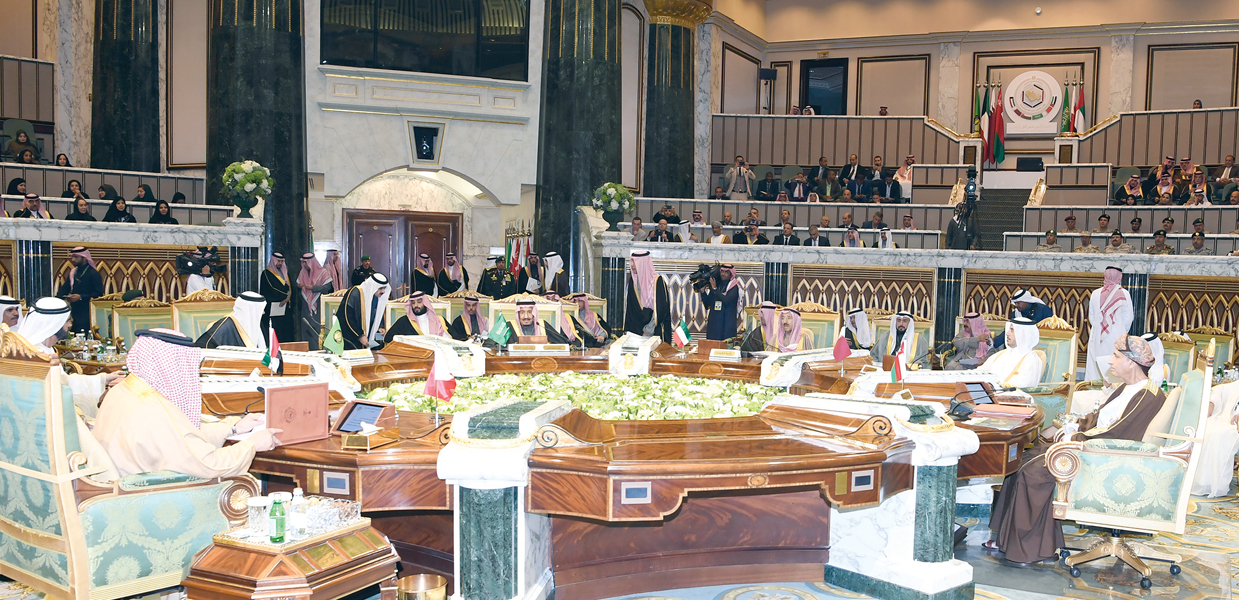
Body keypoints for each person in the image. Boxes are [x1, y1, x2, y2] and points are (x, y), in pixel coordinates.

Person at [987, 335, 1166, 563]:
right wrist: (1072, 426)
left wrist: (1072, 437)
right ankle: (1008, 539)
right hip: (1091, 448)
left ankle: (1029, 549)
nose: (1110, 361)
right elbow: (1099, 419)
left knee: (1033, 474)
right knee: (1021, 460)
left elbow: (1117, 435)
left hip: (1103, 459)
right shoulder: (1128, 387)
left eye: (1116, 356)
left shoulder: (1147, 396)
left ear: (1131, 362)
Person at [93, 329, 281, 479]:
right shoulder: (156, 408)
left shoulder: (122, 391)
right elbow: (209, 465)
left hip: (118, 487)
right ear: (170, 364)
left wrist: (232, 428)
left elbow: (180, 439)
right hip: (148, 498)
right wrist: (252, 445)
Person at [1085, 267, 1133, 381]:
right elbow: (1129, 318)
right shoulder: (1124, 294)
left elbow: (1091, 317)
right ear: (1120, 277)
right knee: (1115, 363)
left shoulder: (1095, 293)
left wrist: (1098, 328)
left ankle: (1093, 387)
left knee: (1095, 365)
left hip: (1097, 336)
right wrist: (1121, 331)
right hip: (1117, 336)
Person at [978, 318, 1045, 388]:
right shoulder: (1001, 354)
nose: (1007, 333)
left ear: (1023, 334)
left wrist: (993, 386)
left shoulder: (1031, 359)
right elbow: (980, 372)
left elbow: (1024, 385)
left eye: (1012, 330)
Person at [624, 250, 671, 343]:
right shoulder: (633, 282)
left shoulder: (657, 282)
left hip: (654, 331)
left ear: (642, 263)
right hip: (636, 333)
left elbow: (661, 310)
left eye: (634, 262)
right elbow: (631, 311)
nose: (631, 265)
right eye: (631, 261)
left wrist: (647, 331)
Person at [55, 247, 103, 334]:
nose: (73, 259)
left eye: (76, 257)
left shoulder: (93, 273)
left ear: (84, 258)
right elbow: (65, 288)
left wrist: (81, 297)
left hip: (88, 312)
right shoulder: (73, 272)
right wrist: (57, 300)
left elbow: (98, 294)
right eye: (72, 257)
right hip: (75, 310)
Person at [195, 292, 268, 349]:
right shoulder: (225, 326)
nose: (263, 312)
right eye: (260, 310)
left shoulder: (255, 325)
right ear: (251, 310)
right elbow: (202, 345)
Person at [337, 273, 390, 349]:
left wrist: (380, 328)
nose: (383, 291)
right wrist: (360, 335)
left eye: (384, 288)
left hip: (369, 341)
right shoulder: (355, 293)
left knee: (380, 345)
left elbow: (377, 318)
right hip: (352, 339)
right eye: (380, 288)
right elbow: (347, 318)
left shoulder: (377, 298)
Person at [297, 252, 334, 348]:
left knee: (315, 328)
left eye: (306, 262)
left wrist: (314, 288)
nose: (304, 264)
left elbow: (328, 287)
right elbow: (299, 283)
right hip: (305, 305)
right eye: (303, 262)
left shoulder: (323, 272)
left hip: (318, 304)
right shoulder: (302, 272)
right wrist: (299, 286)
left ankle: (316, 348)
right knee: (306, 327)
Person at [384, 291, 449, 342]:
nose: (416, 305)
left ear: (425, 303)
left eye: (419, 302)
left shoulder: (439, 320)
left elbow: (450, 339)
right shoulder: (405, 321)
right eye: (413, 303)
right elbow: (388, 338)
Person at [700, 264, 740, 342]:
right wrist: (703, 292)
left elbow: (726, 300)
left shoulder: (734, 287)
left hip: (726, 326)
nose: (723, 274)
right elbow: (707, 304)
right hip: (714, 326)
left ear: (731, 274)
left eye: (726, 272)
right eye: (722, 271)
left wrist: (715, 289)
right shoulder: (717, 284)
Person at [260, 252, 294, 344]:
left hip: (285, 308)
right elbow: (272, 289)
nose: (280, 263)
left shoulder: (285, 273)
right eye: (278, 261)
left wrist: (288, 298)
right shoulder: (266, 274)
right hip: (273, 308)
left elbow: (290, 288)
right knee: (275, 330)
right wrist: (285, 297)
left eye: (281, 261)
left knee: (286, 330)